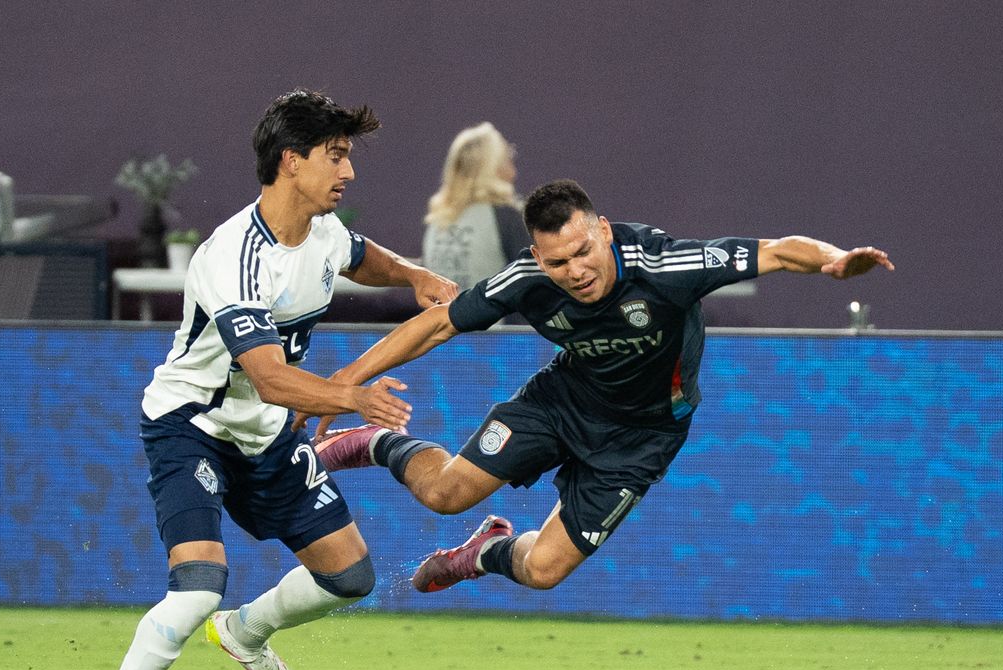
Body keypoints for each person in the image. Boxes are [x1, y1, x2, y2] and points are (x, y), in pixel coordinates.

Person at [84, 89, 457, 670]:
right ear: (291, 161)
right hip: (190, 424)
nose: (348, 172)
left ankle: (245, 635)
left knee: (350, 578)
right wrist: (353, 397)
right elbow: (270, 377)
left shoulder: (322, 232)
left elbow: (360, 256)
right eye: (335, 156)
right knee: (199, 583)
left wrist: (414, 276)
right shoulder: (233, 255)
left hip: (264, 432)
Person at [305, 179, 894, 595]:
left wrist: (834, 260)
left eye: (585, 251)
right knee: (444, 495)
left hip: (642, 438)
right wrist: (342, 382)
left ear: (604, 231)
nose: (576, 271)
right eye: (558, 262)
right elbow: (437, 323)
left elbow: (776, 252)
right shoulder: (528, 279)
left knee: (542, 572)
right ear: (538, 254)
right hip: (562, 403)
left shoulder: (667, 266)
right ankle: (377, 444)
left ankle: (483, 552)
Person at [422, 122, 530, 291]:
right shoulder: (506, 218)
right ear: (495, 167)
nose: (513, 171)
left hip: (440, 317)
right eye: (508, 160)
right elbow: (530, 289)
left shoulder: (436, 221)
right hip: (492, 318)